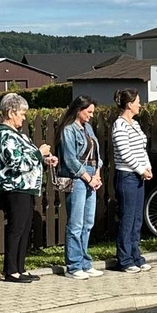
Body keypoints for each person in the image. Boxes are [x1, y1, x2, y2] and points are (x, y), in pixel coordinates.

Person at [0, 93, 58, 283]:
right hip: (13, 189)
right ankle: (11, 270)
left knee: (24, 227)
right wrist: (39, 153)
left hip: (25, 188)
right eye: (21, 113)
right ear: (11, 112)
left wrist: (45, 160)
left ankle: (20, 267)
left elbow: (29, 159)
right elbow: (16, 163)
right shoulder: (5, 135)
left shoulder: (18, 135)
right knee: (16, 228)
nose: (24, 117)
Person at [57, 95, 103, 280]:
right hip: (77, 177)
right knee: (75, 223)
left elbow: (97, 154)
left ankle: (85, 261)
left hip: (92, 172)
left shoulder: (89, 128)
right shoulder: (69, 130)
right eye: (89, 111)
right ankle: (73, 265)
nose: (91, 115)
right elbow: (70, 160)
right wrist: (87, 177)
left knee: (88, 221)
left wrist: (97, 174)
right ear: (79, 110)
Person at [111, 88, 153, 273]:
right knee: (127, 218)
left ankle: (136, 255)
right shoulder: (119, 125)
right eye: (137, 101)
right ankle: (125, 259)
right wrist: (140, 169)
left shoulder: (135, 124)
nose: (140, 105)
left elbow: (142, 148)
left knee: (137, 218)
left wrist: (147, 167)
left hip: (139, 175)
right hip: (127, 176)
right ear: (129, 104)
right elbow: (124, 153)